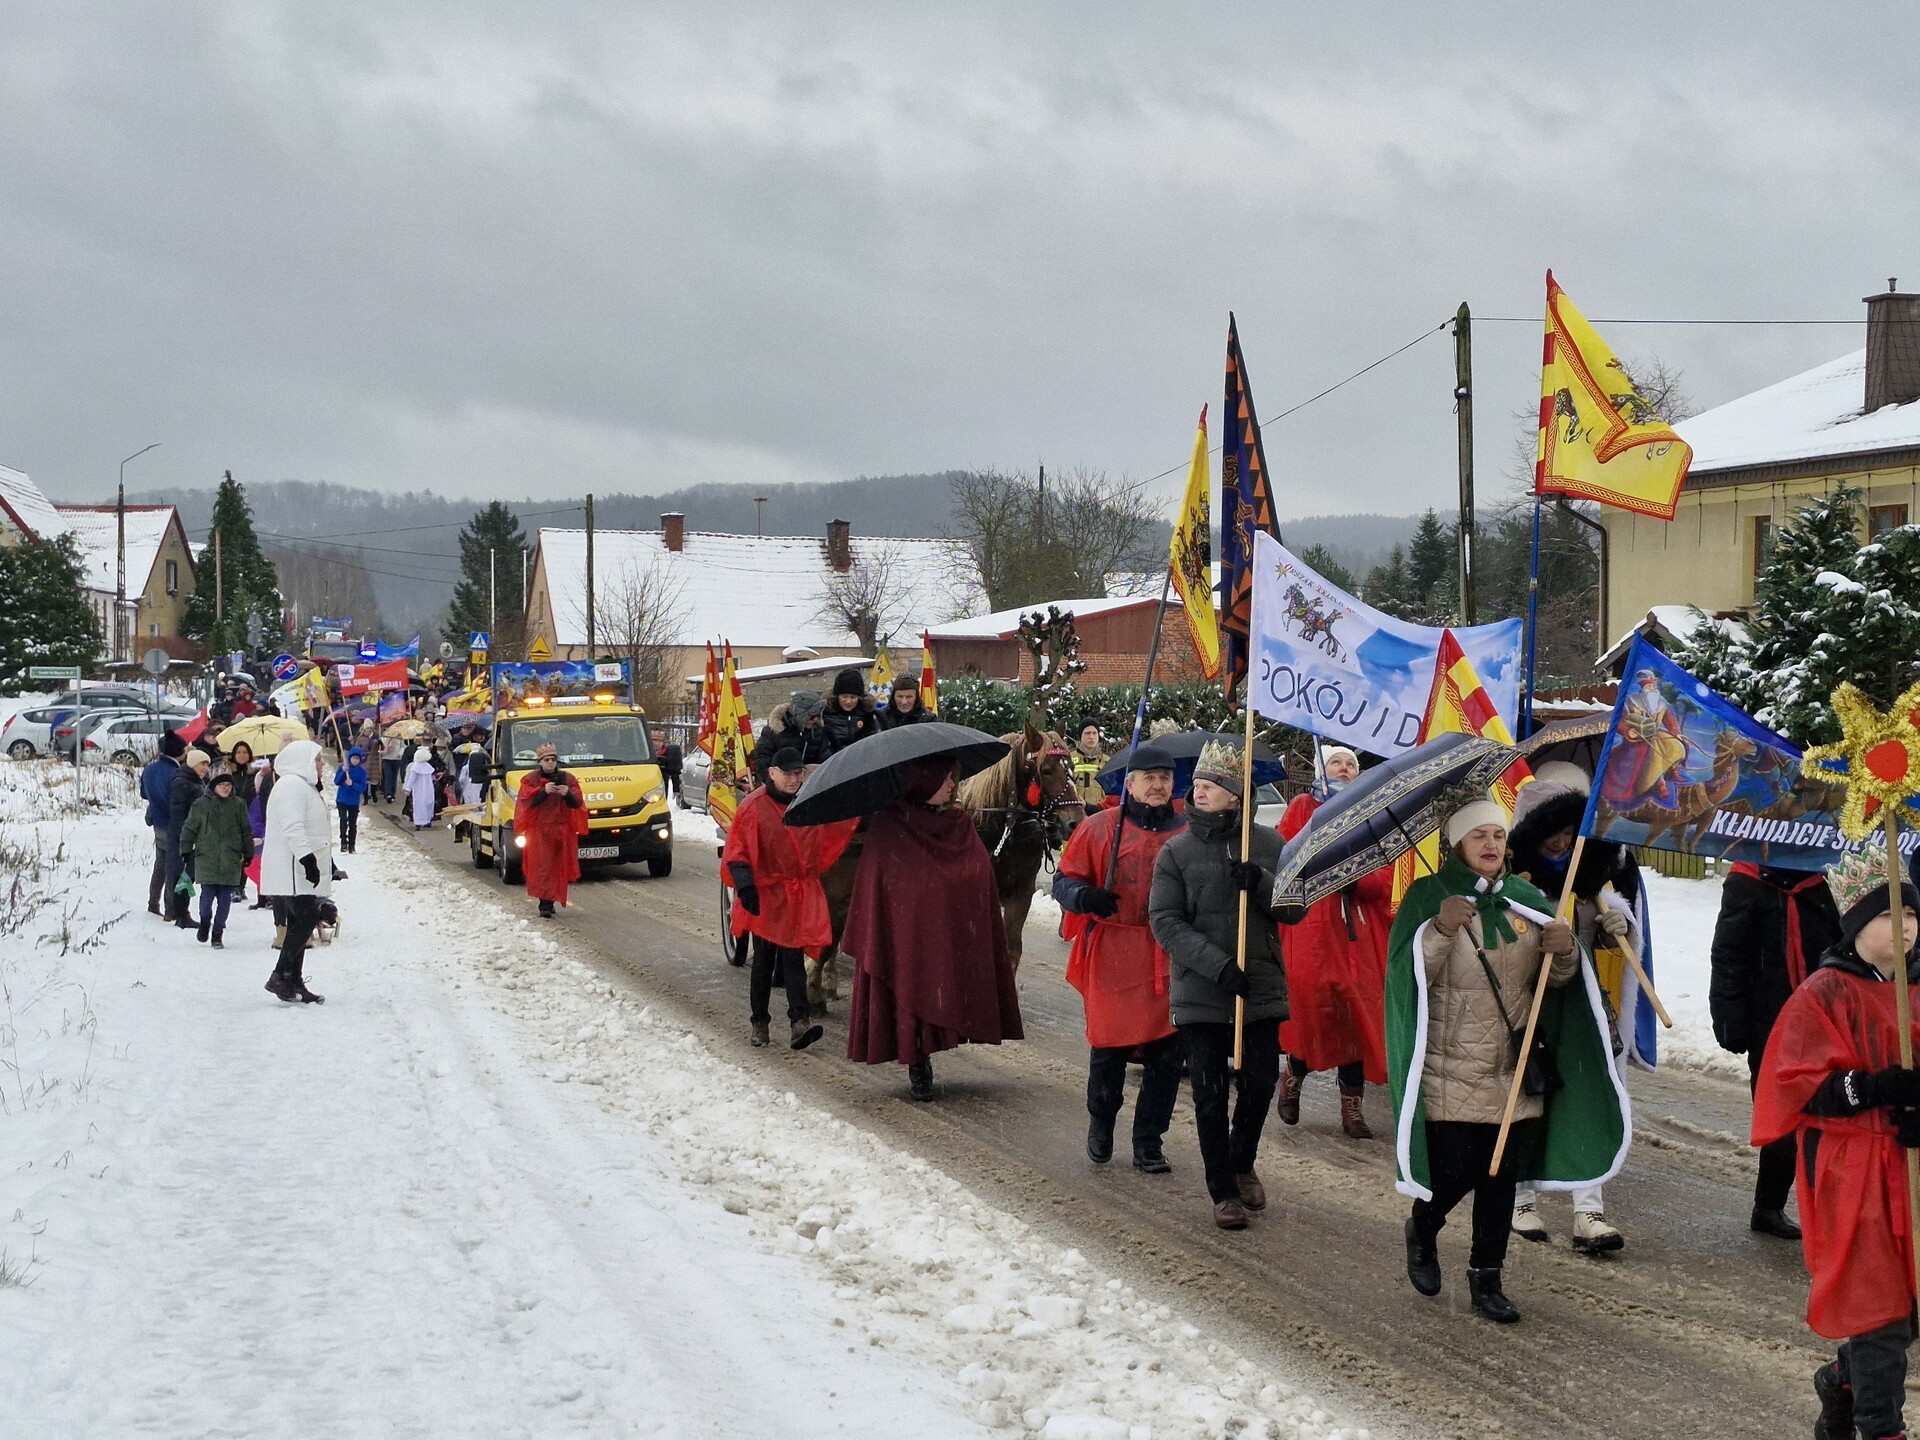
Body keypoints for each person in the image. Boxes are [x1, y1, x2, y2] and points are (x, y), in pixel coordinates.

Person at [1388, 794, 1624, 1325]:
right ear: (1457, 845)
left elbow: (1552, 987)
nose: (1491, 844)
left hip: (1514, 1067)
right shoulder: (1428, 897)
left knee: (1499, 1182)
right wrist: (1440, 930)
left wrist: (1564, 951)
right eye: (1479, 836)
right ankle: (1423, 1229)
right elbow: (1408, 980)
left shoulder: (1525, 898)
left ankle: (1486, 1278)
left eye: (1497, 834)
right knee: (1454, 1173)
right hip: (1450, 1066)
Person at [1752, 839, 1920, 1440]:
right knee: (1879, 1309)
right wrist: (1873, 1088)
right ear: (1856, 923)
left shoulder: (1918, 987)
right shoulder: (1825, 991)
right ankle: (1881, 1428)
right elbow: (1795, 1084)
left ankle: (1843, 1379)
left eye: (1910, 912)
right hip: (1853, 1165)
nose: (1904, 926)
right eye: (1888, 913)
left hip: (1910, 1160)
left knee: (1911, 1306)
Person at [1148, 737, 1294, 1230]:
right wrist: (1218, 966)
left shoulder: (1270, 845)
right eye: (1199, 783)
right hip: (1202, 989)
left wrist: (1262, 883)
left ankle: (1241, 1159)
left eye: (1212, 784)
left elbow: (1295, 910)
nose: (1200, 791)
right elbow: (1165, 921)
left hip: (1260, 987)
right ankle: (1223, 1190)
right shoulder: (1176, 851)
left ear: (1236, 794)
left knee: (1259, 1084)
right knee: (1209, 1093)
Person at [1504, 761, 1640, 1253]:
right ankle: (1520, 1199)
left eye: (1569, 832)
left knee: (1589, 1095)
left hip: (1582, 1008)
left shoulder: (1590, 884)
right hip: (1529, 1008)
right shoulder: (1511, 887)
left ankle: (1589, 1210)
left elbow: (1602, 939)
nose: (1562, 842)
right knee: (1527, 1100)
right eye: (1552, 833)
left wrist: (1616, 929)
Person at [843, 755, 1024, 1100]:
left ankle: (935, 1041)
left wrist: (955, 891)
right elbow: (882, 881)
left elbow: (978, 869)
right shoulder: (889, 825)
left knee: (942, 982)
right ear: (923, 780)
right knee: (908, 985)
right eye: (944, 778)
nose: (952, 785)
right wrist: (916, 898)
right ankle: (917, 1060)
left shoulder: (959, 823)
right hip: (906, 930)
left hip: (945, 927)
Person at [1053, 740, 1186, 1174]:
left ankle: (1149, 1140)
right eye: (1149, 778)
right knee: (1108, 1048)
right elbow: (1064, 880)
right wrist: (1084, 896)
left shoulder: (1188, 833)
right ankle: (1101, 1123)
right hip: (1113, 951)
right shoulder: (1099, 828)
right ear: (1130, 784)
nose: (1157, 785)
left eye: (1164, 778)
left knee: (1167, 1057)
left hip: (1168, 956)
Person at [1712, 857, 1844, 1241]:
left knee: (1829, 1117)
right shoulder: (1746, 881)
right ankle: (1768, 1206)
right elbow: (1729, 956)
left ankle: (1832, 1213)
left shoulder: (1829, 880)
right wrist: (1729, 1019)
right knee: (1780, 1114)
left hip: (1826, 1016)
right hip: (1769, 1020)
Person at [1277, 744, 1391, 1140]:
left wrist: (1358, 881)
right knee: (1311, 1009)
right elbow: (1284, 859)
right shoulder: (1303, 808)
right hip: (1312, 927)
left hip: (1357, 930)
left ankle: (1352, 1104)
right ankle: (1294, 1074)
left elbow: (1385, 876)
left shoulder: (1372, 813)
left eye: (1350, 764)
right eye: (1335, 762)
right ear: (1320, 771)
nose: (1343, 768)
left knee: (1356, 1011)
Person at [722, 747, 860, 1049]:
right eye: (789, 774)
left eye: (799, 773)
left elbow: (832, 827)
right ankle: (760, 1022)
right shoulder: (754, 806)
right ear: (772, 773)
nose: (795, 779)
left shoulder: (808, 803)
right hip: (766, 894)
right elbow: (738, 850)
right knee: (763, 962)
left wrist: (856, 806)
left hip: (796, 894)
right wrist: (746, 887)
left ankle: (800, 1022)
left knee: (793, 959)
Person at [260, 739, 333, 1003]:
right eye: (317, 759)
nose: (322, 764)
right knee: (307, 918)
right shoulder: (292, 785)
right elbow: (293, 826)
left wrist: (326, 862)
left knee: (299, 923)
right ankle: (281, 974)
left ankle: (292, 979)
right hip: (293, 869)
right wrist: (307, 859)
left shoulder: (302, 786)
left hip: (299, 869)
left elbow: (315, 829)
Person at [180, 767, 255, 948]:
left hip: (230, 858)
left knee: (224, 900)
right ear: (214, 786)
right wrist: (185, 849)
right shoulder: (200, 805)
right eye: (222, 785)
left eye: (229, 785)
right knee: (206, 898)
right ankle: (205, 922)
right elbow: (190, 828)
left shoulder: (238, 805)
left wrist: (248, 852)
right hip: (207, 858)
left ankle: (218, 931)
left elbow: (245, 830)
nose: (226, 788)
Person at [514, 743, 587, 917]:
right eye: (546, 760)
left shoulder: (568, 778)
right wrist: (543, 791)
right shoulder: (530, 779)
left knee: (558, 867)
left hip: (561, 830)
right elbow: (527, 802)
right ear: (540, 762)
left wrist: (567, 793)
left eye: (553, 759)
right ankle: (544, 903)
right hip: (540, 831)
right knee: (543, 867)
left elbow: (577, 803)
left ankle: (551, 898)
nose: (550, 763)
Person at [139, 730, 186, 918]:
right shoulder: (175, 773)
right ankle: (171, 908)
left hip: (157, 821)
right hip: (173, 824)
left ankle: (153, 901)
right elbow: (177, 801)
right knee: (174, 866)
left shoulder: (150, 769)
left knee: (160, 863)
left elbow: (144, 794)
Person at [167, 749, 213, 928]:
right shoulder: (182, 783)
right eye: (203, 764)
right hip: (184, 838)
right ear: (193, 763)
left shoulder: (196, 781)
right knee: (183, 875)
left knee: (188, 875)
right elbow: (178, 814)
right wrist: (186, 838)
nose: (206, 768)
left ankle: (182, 912)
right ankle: (181, 914)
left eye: (208, 764)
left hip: (195, 835)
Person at [752, 691, 831, 784]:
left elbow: (825, 758)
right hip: (780, 784)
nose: (815, 720)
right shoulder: (774, 731)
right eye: (812, 716)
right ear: (800, 714)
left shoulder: (818, 731)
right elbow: (762, 761)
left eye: (818, 715)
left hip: (810, 784)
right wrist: (774, 783)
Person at [819, 668, 878, 754]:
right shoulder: (826, 713)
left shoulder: (867, 713)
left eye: (853, 697)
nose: (848, 701)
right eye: (844, 696)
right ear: (837, 696)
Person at [333, 746, 371, 853]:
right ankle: (343, 842)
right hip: (342, 799)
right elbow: (337, 782)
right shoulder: (344, 768)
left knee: (352, 824)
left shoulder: (362, 772)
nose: (355, 760)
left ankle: (352, 845)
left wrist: (352, 784)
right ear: (350, 758)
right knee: (343, 820)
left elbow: (362, 787)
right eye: (354, 758)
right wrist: (342, 772)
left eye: (357, 759)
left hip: (353, 801)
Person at [1070, 722, 1108, 810]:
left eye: (1094, 733)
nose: (1091, 737)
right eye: (1087, 733)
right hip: (1075, 812)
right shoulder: (1069, 759)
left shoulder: (1107, 762)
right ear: (1081, 736)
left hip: (1100, 813)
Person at [402, 745, 436, 830]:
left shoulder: (415, 766)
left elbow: (411, 779)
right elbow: (432, 777)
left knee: (418, 805)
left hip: (419, 789)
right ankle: (427, 820)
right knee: (428, 804)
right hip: (428, 789)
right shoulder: (428, 766)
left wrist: (408, 788)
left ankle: (418, 823)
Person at [226, 740, 258, 805]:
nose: (242, 755)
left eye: (245, 752)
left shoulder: (256, 773)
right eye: (238, 752)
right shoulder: (227, 773)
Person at [380, 730, 406, 804]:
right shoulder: (384, 738)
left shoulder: (399, 738)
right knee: (388, 777)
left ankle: (393, 793)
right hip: (387, 759)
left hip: (396, 759)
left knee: (394, 777)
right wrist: (384, 751)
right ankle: (388, 794)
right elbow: (381, 748)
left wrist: (400, 753)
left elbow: (403, 746)